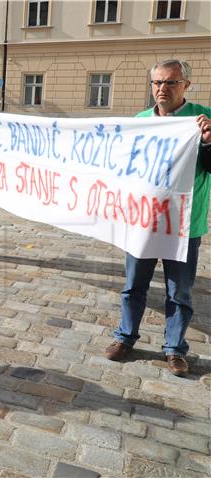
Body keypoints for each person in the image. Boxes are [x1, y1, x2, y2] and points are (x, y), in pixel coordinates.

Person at [105, 59, 211, 376]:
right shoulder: (140, 120)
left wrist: (208, 142)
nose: (162, 89)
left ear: (186, 86)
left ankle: (175, 349)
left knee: (179, 292)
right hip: (143, 222)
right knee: (133, 286)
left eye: (170, 83)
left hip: (183, 225)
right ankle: (125, 337)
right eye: (157, 83)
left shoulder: (202, 118)